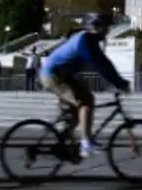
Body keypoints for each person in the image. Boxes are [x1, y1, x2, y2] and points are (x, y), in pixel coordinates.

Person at [39, 13, 130, 158]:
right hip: (52, 76)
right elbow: (100, 65)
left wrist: (119, 81)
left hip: (63, 76)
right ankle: (86, 144)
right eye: (104, 27)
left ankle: (64, 143)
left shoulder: (89, 41)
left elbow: (105, 62)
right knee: (85, 102)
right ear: (94, 28)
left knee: (81, 108)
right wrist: (120, 83)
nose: (106, 30)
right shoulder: (84, 42)